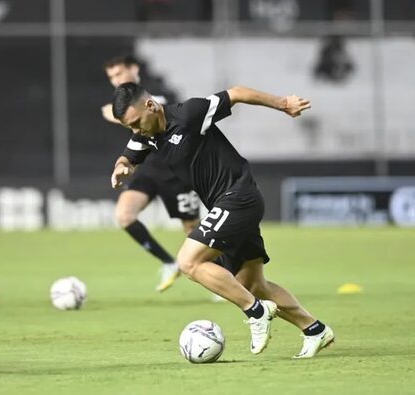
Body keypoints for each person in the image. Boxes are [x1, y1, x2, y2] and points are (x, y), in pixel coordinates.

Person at [109, 82, 334, 358]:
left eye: (135, 123)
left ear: (151, 106)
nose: (135, 131)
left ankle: (256, 312)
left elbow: (237, 93)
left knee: (189, 262)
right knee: (252, 284)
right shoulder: (147, 132)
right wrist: (121, 166)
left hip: (238, 197)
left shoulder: (189, 114)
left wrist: (282, 103)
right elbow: (129, 155)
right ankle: (315, 330)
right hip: (227, 204)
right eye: (129, 128)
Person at [102, 55, 200, 292]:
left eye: (118, 74)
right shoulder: (123, 99)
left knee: (193, 230)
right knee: (125, 216)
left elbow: (156, 107)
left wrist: (115, 113)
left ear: (133, 69)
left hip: (175, 170)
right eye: (111, 77)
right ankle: (169, 263)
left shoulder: (152, 92)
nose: (115, 81)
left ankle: (223, 273)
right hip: (147, 168)